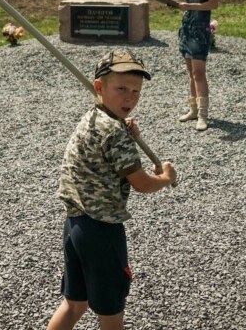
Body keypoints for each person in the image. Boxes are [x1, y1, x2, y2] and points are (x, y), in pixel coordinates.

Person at [46, 49, 177, 330]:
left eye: (136, 91)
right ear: (98, 87)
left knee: (75, 304)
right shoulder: (115, 133)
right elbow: (141, 183)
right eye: (120, 89)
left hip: (76, 225)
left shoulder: (94, 118)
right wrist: (165, 178)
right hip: (102, 230)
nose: (129, 97)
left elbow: (107, 142)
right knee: (111, 314)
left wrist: (125, 130)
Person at [176, 0, 219, 131]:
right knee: (191, 73)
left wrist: (190, 7)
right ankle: (193, 110)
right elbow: (190, 4)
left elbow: (213, 4)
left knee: (199, 73)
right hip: (187, 29)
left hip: (200, 31)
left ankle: (203, 115)